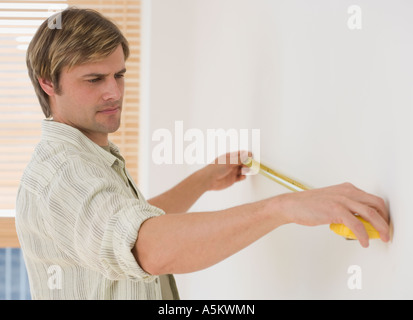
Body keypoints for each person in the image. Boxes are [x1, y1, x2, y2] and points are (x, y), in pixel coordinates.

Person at [16, 7, 390, 300]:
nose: (114, 92)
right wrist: (283, 208)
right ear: (48, 83)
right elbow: (148, 247)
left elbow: (133, 224)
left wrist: (205, 179)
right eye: (95, 79)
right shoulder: (62, 174)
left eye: (120, 75)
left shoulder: (90, 157)